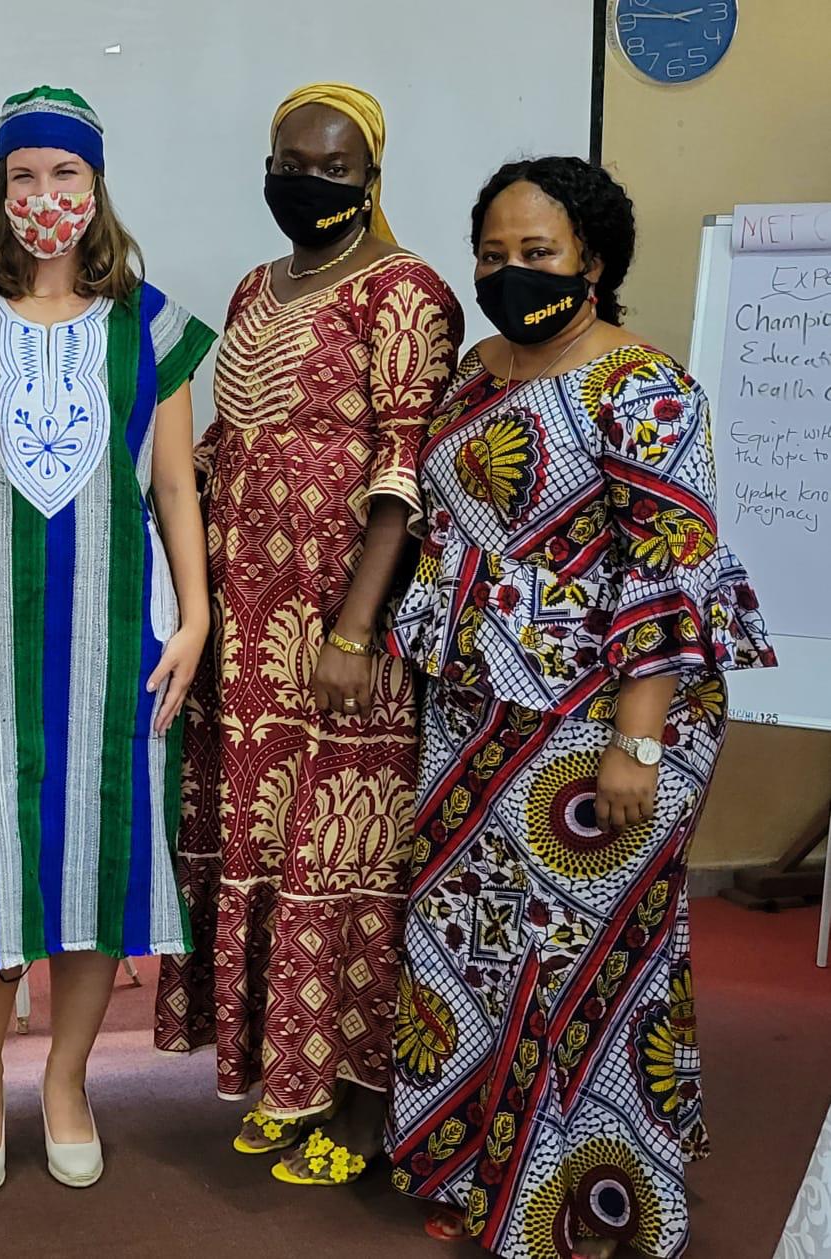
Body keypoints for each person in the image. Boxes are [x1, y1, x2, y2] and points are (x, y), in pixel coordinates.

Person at [383, 157, 776, 1259]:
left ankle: (584, 1198)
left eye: (539, 253)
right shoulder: (473, 375)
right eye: (495, 253)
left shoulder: (646, 389)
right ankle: (482, 1166)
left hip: (608, 717)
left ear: (595, 261)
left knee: (582, 958)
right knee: (478, 949)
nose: (512, 272)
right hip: (477, 711)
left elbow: (667, 572)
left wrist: (637, 741)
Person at [0, 85, 216, 1199]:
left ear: (97, 187)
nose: (45, 196)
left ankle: (67, 1081)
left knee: (98, 864)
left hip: (122, 645)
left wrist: (200, 612)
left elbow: (175, 484)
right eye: (24, 175)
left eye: (65, 175)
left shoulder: (153, 326)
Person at [153, 82, 462, 1187]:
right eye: (291, 161)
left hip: (338, 627)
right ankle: (297, 1078)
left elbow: (401, 466)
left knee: (349, 861)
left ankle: (369, 1108)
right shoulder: (256, 283)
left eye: (332, 166)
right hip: (242, 624)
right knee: (271, 855)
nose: (307, 181)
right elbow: (228, 440)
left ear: (371, 172)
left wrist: (355, 625)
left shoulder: (408, 289)